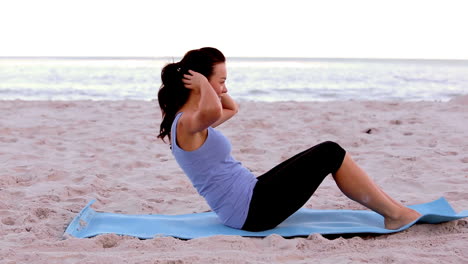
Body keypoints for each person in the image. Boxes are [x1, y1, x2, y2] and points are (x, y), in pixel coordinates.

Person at [157, 47, 421, 232]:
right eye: (222, 81)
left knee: (328, 152)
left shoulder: (192, 120)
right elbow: (215, 109)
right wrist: (204, 83)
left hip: (250, 197)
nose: (225, 88)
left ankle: (394, 209)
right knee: (330, 152)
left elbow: (230, 109)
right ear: (200, 82)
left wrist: (210, 83)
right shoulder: (189, 123)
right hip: (252, 212)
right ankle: (395, 215)